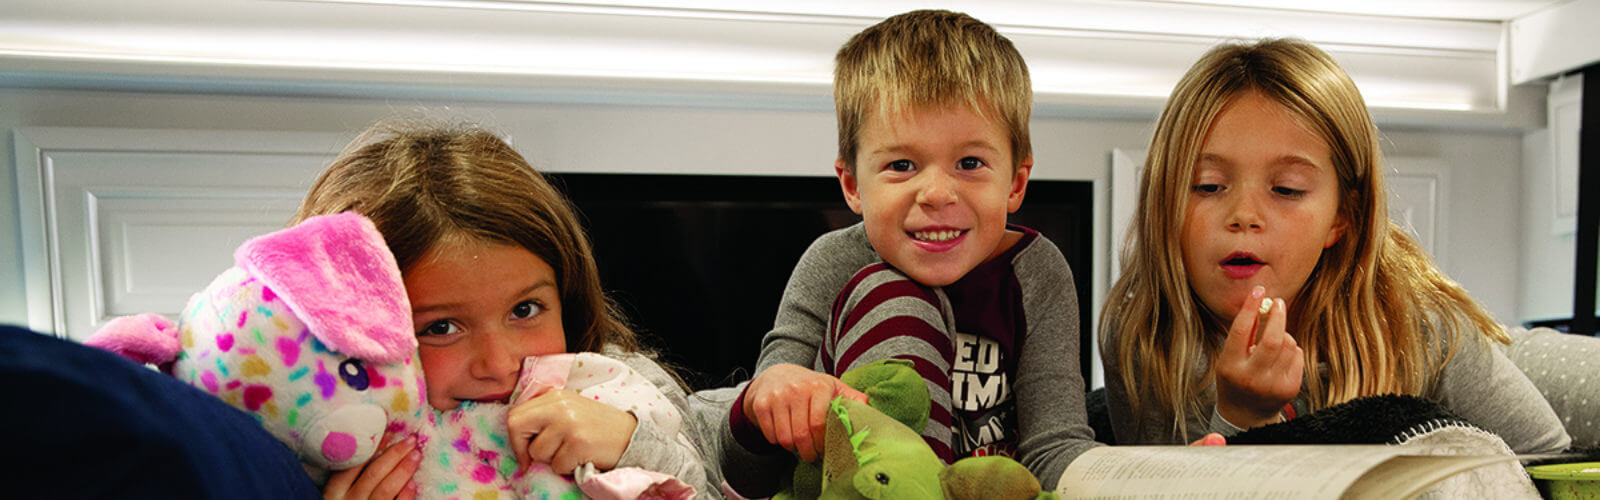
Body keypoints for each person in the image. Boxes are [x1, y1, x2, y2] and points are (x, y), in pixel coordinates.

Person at [1098, 38, 1571, 454]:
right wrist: (1241, 418)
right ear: (1164, 204)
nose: (1244, 215)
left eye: (1286, 190)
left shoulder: (1424, 331)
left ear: (1342, 217)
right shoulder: (1144, 336)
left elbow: (1552, 462)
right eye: (1207, 185)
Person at [716, 10, 1098, 497]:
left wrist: (1150, 474)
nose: (936, 193)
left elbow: (1055, 446)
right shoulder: (830, 262)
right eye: (901, 164)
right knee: (889, 291)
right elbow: (744, 471)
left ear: (1016, 183)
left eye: (970, 163)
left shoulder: (1037, 272)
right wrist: (760, 404)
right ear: (853, 185)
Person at [291, 120, 717, 500]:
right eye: (441, 327)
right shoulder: (333, 445)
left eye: (525, 309)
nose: (499, 364)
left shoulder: (624, 384)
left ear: (566, 298)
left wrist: (634, 445)